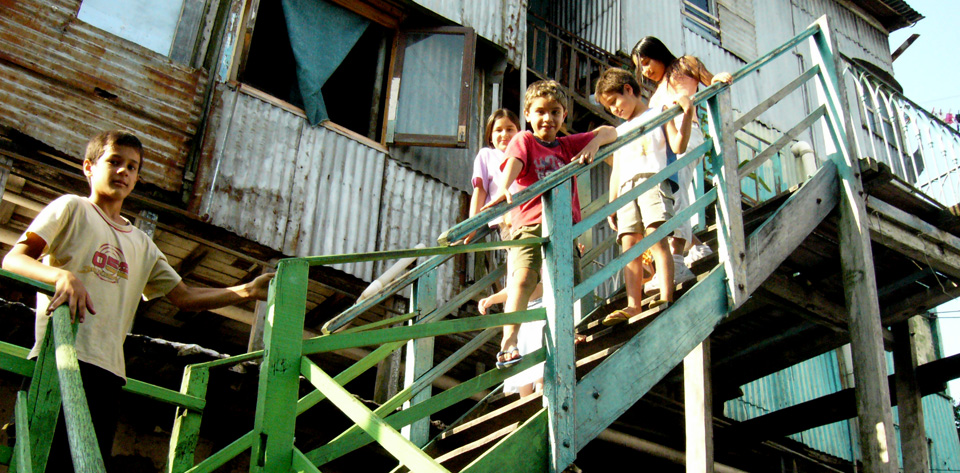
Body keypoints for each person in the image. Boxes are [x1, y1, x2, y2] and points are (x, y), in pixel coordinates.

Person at [2, 130, 274, 470]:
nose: (123, 172)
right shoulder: (71, 208)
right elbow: (13, 260)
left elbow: (185, 297)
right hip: (58, 360)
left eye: (132, 167)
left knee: (86, 462)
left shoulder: (142, 244)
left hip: (109, 373)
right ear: (88, 167)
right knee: (41, 458)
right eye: (114, 162)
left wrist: (248, 290)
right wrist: (62, 275)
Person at [482, 80, 617, 368]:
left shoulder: (566, 145)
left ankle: (572, 331)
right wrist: (505, 189)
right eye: (541, 112)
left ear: (564, 115)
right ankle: (509, 342)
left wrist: (592, 144)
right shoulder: (525, 140)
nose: (548, 118)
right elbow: (515, 162)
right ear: (528, 115)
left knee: (571, 280)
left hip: (563, 226)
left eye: (555, 112)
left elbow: (610, 131)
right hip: (529, 221)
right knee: (523, 278)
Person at [594, 68, 695, 325]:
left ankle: (666, 294)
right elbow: (616, 169)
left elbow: (678, 146)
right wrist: (612, 204)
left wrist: (688, 112)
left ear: (629, 89)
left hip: (653, 179)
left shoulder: (658, 112)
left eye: (615, 101)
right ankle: (633, 306)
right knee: (629, 248)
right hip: (627, 190)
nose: (614, 109)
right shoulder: (620, 131)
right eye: (609, 107)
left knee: (657, 238)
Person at [631, 36, 731, 270]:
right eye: (640, 68)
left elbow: (709, 79)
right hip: (664, 145)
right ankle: (696, 246)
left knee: (675, 190)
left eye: (646, 62)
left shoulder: (684, 64)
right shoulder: (654, 96)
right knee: (668, 195)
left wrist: (719, 78)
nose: (645, 71)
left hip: (688, 135)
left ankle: (676, 258)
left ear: (657, 53)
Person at [465, 109, 521, 244]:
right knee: (521, 258)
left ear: (519, 134)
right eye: (498, 130)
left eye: (510, 129)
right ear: (490, 136)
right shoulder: (487, 155)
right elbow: (480, 190)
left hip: (531, 213)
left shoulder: (523, 155)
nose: (504, 134)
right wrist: (472, 224)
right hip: (508, 218)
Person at [479, 284, 544, 396]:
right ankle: (527, 402)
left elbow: (515, 288)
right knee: (525, 371)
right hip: (524, 322)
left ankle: (537, 400)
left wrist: (492, 299)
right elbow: (513, 289)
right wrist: (492, 299)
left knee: (539, 371)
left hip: (537, 318)